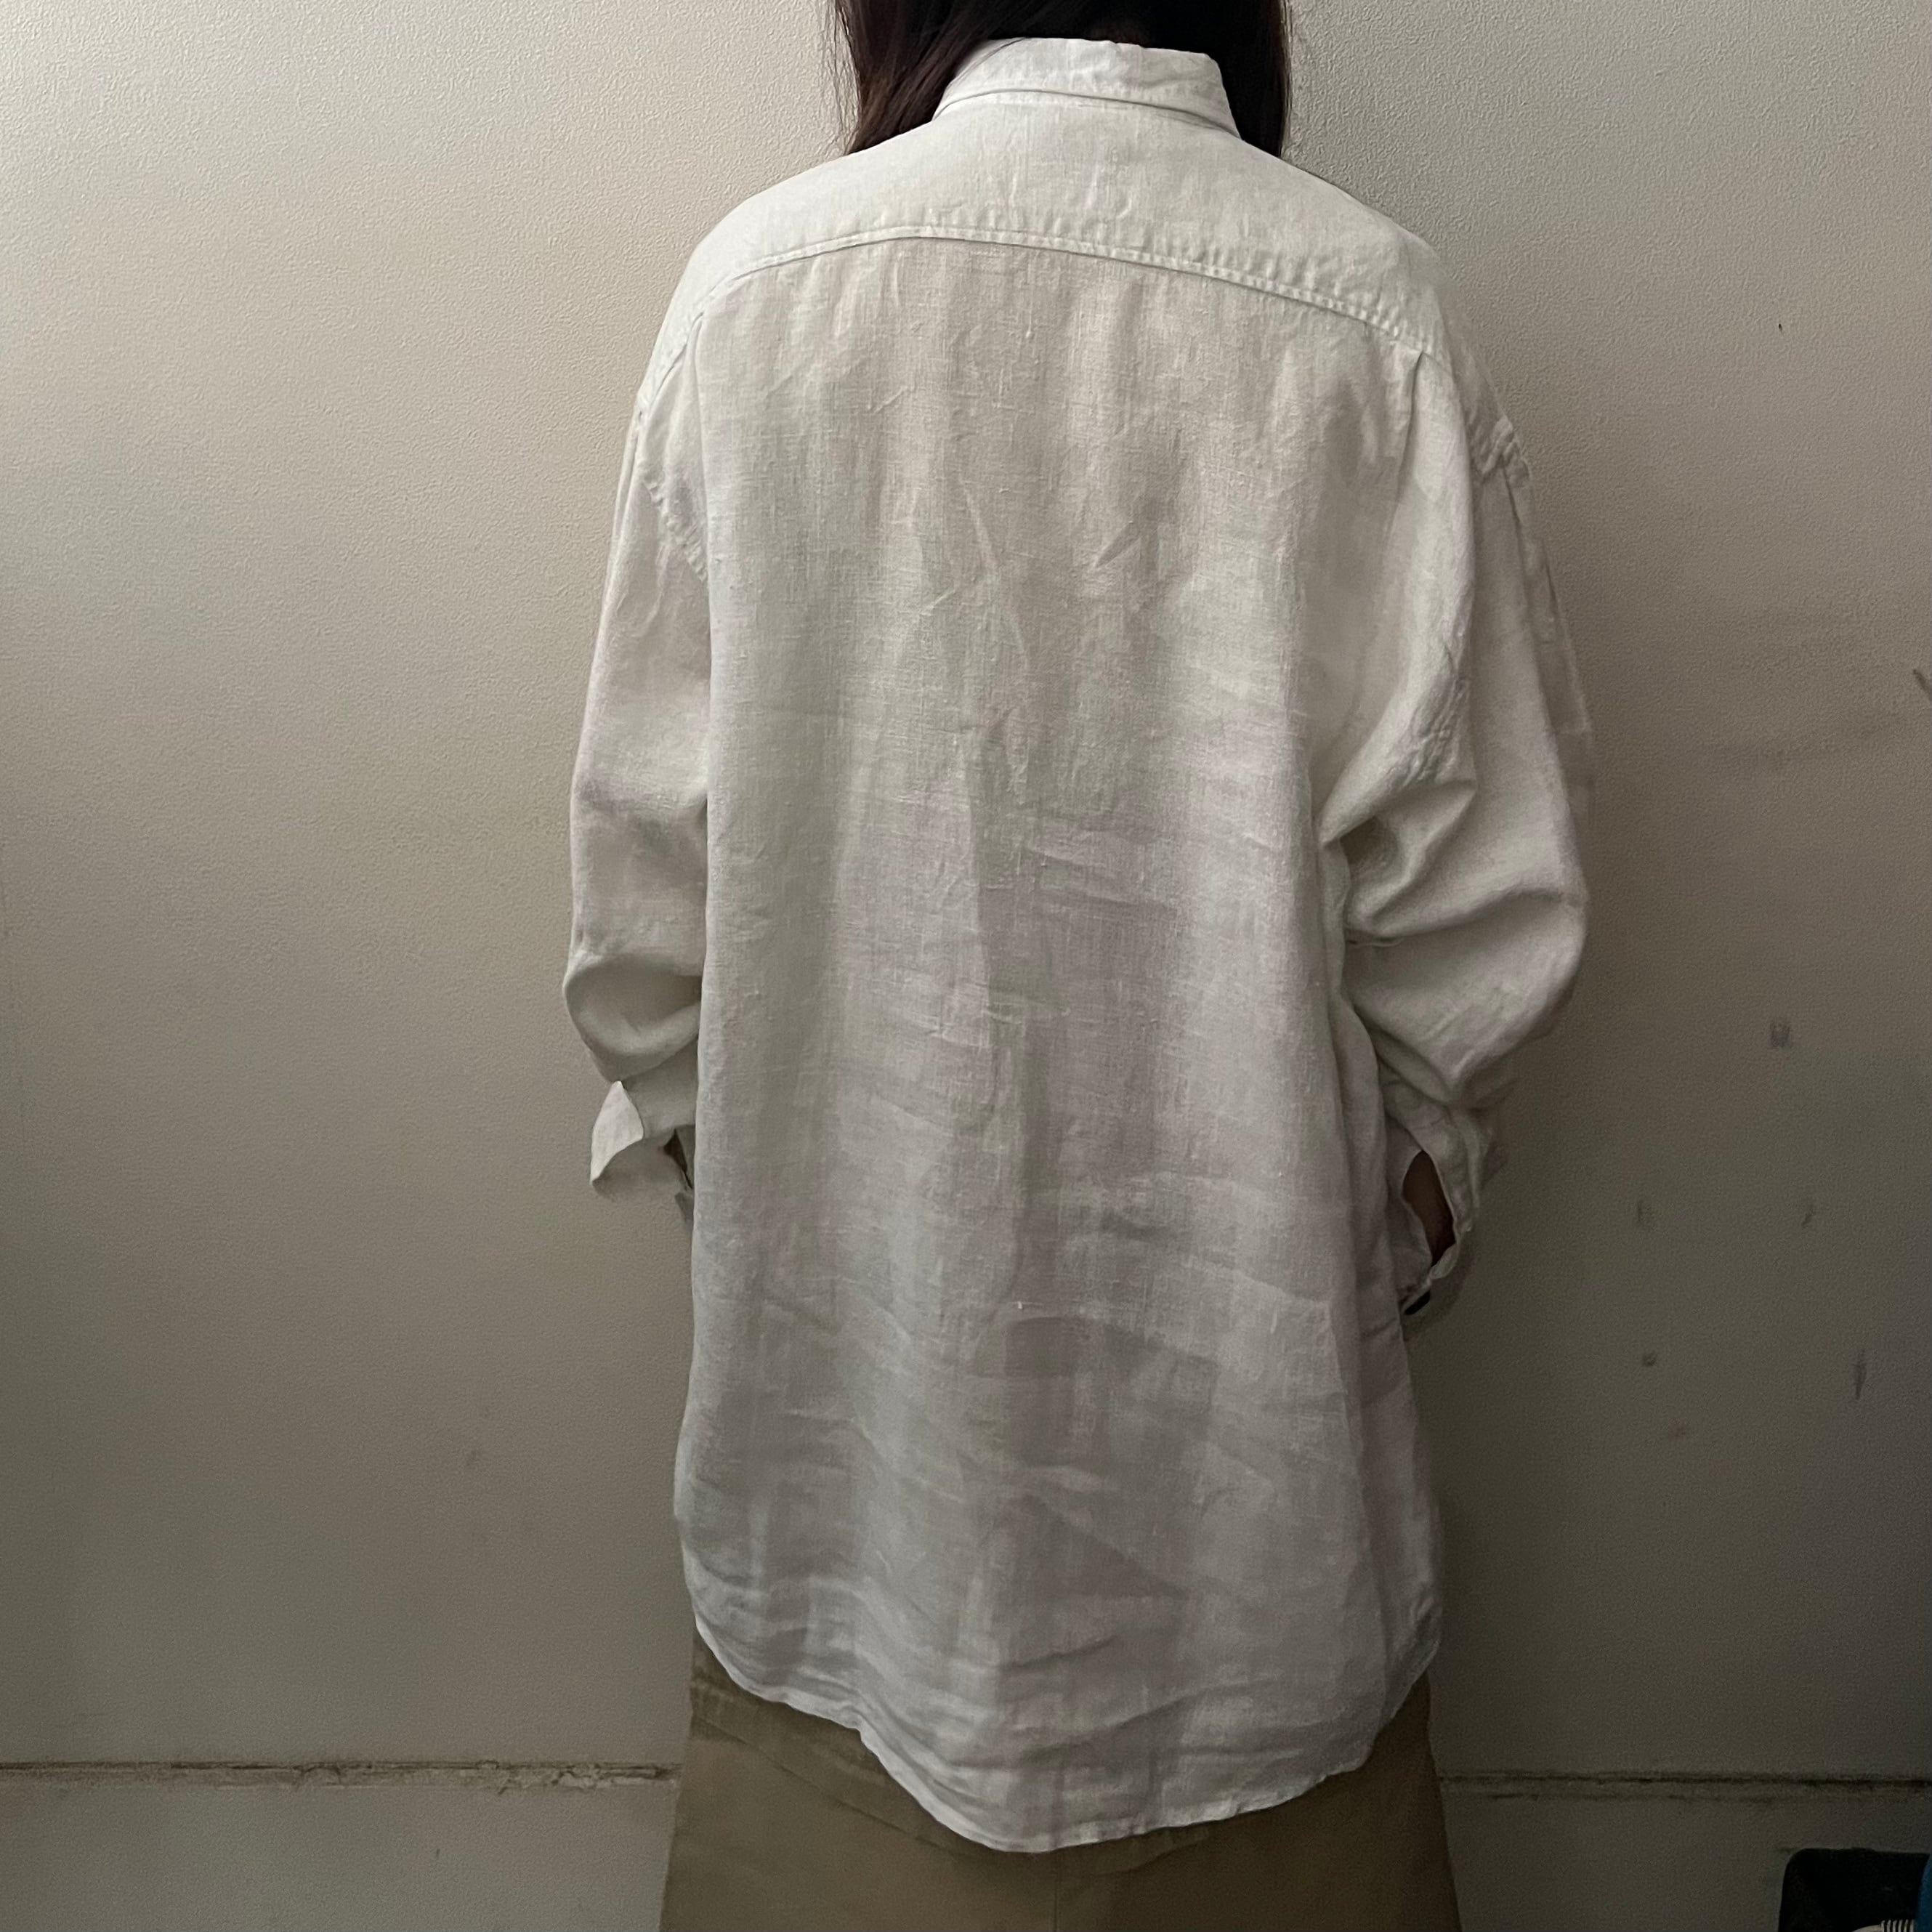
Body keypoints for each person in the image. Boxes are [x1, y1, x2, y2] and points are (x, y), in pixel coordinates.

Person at [562, 5, 1593, 1925]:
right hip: (1261, 1565)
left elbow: (643, 939)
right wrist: (1330, 1258)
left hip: (838, 1558)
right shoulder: (1368, 318)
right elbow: (1481, 940)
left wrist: (809, 1238)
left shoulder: (759, 297)